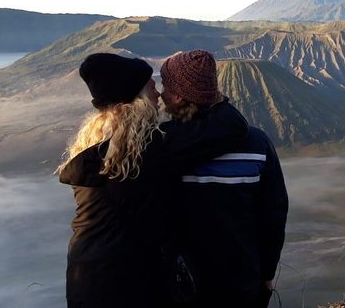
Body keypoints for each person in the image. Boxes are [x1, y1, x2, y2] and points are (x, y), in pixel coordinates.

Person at [57, 52, 248, 308]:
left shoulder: (97, 148)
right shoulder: (149, 149)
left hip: (86, 280)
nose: (158, 94)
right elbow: (232, 126)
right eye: (150, 87)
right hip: (129, 286)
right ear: (135, 100)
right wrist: (212, 97)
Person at [160, 50, 289, 308]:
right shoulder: (257, 144)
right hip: (241, 283)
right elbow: (273, 215)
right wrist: (266, 274)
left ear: (176, 96)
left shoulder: (160, 149)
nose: (161, 94)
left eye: (165, 86)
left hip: (181, 286)